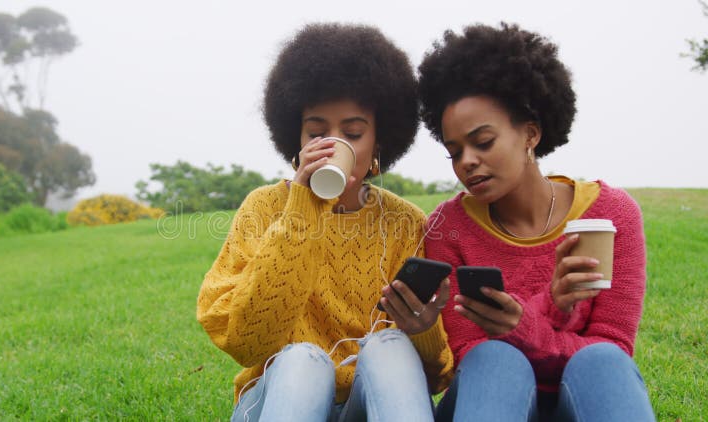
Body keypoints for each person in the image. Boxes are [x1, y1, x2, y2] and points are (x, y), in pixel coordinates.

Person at [197, 23, 454, 422]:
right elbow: (246, 342)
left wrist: (422, 329)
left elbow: (436, 379)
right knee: (302, 358)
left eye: (352, 132)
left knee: (390, 346)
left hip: (363, 407)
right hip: (281, 399)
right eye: (317, 132)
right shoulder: (264, 208)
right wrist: (301, 211)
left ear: (378, 144)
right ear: (296, 140)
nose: (334, 144)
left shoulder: (404, 223)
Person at [417, 23, 656, 421]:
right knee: (494, 358)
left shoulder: (612, 215)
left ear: (530, 133)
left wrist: (526, 326)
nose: (467, 162)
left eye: (483, 142)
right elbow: (470, 353)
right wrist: (551, 306)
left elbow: (613, 346)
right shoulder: (448, 226)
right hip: (490, 397)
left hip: (578, 399)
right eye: (454, 152)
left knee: (601, 362)